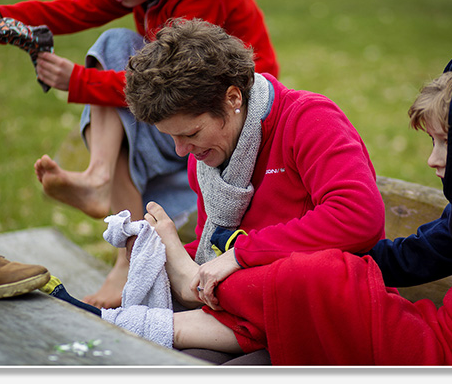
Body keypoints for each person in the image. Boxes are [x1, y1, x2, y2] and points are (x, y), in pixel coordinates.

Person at [161, 48, 452, 365]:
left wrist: (264, 261)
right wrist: (343, 278)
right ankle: (182, 306)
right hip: (446, 330)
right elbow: (418, 255)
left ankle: (168, 314)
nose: (433, 160)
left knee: (310, 274)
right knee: (316, 274)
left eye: (446, 144)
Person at [0, 0, 280, 309]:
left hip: (228, 122)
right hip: (187, 112)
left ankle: (110, 210)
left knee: (116, 55)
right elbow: (78, 8)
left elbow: (183, 83)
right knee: (118, 67)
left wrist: (80, 80)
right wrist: (5, 17)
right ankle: (106, 196)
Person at [121, 19, 386, 359]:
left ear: (232, 97)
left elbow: (358, 216)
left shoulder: (308, 119)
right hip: (244, 310)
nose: (181, 150)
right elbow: (213, 253)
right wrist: (158, 252)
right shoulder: (206, 158)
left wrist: (243, 253)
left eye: (190, 133)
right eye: (170, 136)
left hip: (320, 321)